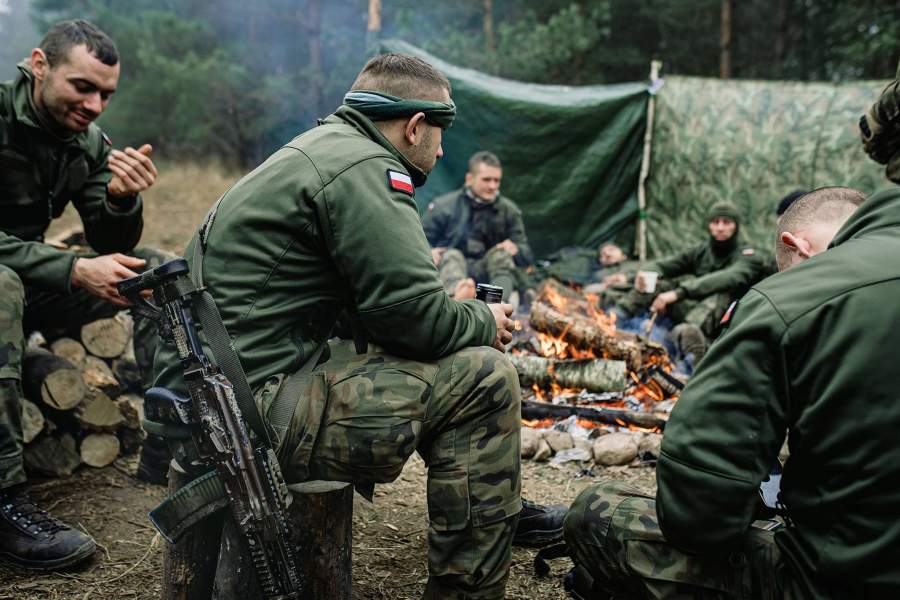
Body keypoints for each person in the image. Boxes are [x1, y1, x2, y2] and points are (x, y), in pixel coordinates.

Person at [151, 53, 563, 599]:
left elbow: (382, 311)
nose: (440, 151)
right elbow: (418, 321)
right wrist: (482, 319)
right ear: (415, 127)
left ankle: (493, 502)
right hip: (246, 417)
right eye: (440, 136)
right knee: (484, 379)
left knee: (446, 363)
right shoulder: (368, 168)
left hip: (214, 396)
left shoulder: (317, 149)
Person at [561, 184, 900, 598]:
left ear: (797, 247)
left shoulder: (788, 300)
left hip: (845, 580)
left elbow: (699, 517)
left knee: (595, 513)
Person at [0, 19, 167, 570]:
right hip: (6, 282)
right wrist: (73, 270)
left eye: (106, 94)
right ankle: (4, 502)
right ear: (39, 65)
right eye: (83, 87)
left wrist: (120, 199)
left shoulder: (85, 141)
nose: (96, 105)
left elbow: (109, 241)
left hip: (26, 280)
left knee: (156, 272)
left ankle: (168, 438)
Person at [612, 202, 759, 361]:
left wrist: (678, 293)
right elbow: (668, 264)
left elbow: (726, 278)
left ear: (736, 226)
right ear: (709, 226)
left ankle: (684, 345)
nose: (721, 228)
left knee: (719, 294)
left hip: (722, 321)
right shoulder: (702, 250)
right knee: (659, 285)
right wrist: (643, 274)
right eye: (715, 222)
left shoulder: (749, 256)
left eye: (726, 222)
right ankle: (612, 321)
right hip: (692, 309)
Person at [422, 151, 533, 305]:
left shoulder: (509, 210)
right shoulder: (444, 206)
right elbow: (418, 239)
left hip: (488, 272)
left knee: (501, 255)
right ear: (469, 179)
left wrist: (515, 249)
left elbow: (526, 254)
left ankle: (495, 306)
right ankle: (458, 302)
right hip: (450, 270)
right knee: (452, 255)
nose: (492, 186)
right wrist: (429, 252)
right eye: (487, 180)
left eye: (496, 180)